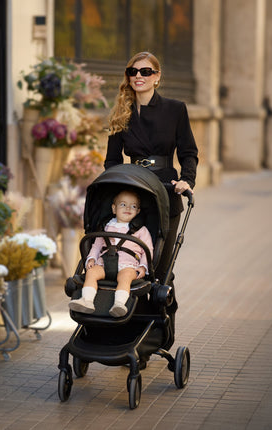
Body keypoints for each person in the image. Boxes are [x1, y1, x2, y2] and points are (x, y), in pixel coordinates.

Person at [104, 51, 198, 286]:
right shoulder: (120, 114)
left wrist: (187, 180)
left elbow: (188, 152)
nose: (138, 76)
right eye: (133, 72)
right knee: (128, 258)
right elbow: (112, 160)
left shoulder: (175, 109)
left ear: (157, 77)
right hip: (133, 191)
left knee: (160, 268)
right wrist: (115, 188)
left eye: (145, 72)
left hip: (166, 191)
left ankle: (161, 316)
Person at [69, 189, 153, 317]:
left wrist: (143, 266)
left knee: (125, 277)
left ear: (138, 211)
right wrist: (91, 258)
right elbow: (97, 245)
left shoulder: (141, 230)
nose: (128, 208)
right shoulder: (106, 226)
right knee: (91, 273)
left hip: (128, 265)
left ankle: (119, 304)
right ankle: (87, 300)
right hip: (104, 263)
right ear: (114, 209)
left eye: (133, 206)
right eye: (123, 204)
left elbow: (148, 250)